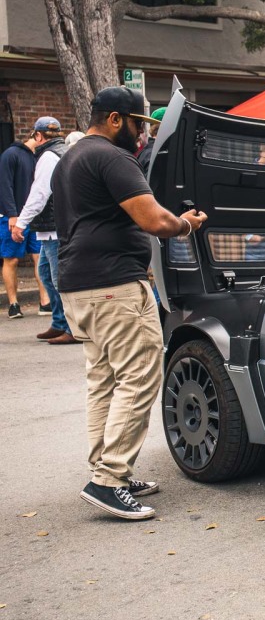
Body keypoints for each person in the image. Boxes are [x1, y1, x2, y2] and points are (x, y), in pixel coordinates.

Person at [55, 86, 207, 520]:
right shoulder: (112, 157)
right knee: (140, 375)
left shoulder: (70, 159)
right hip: (113, 285)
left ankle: (108, 470)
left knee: (105, 380)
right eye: (140, 125)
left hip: (79, 285)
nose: (143, 136)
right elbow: (154, 219)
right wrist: (187, 224)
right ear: (117, 119)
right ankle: (108, 480)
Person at [11, 127, 81, 344]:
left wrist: (21, 223)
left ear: (39, 136)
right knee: (46, 273)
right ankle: (60, 322)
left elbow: (40, 194)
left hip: (53, 228)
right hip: (53, 226)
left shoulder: (48, 156)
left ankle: (72, 327)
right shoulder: (62, 151)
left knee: (57, 277)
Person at [1, 117, 58, 318]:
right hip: (15, 216)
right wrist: (12, 215)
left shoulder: (43, 156)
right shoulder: (11, 154)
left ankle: (45, 302)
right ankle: (14, 304)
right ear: (36, 135)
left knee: (40, 260)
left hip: (37, 218)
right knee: (12, 259)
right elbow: (4, 185)